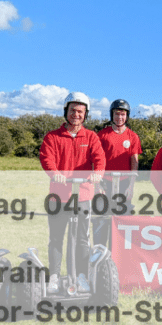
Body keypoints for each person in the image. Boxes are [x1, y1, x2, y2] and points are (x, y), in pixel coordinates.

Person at [40, 92, 105, 288]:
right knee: (57, 238)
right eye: (72, 111)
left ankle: (81, 276)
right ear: (66, 112)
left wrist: (98, 173)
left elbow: (99, 159)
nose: (76, 114)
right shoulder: (53, 136)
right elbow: (46, 158)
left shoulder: (91, 137)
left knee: (82, 239)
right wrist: (55, 173)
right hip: (59, 197)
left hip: (83, 195)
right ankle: (54, 277)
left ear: (85, 114)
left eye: (80, 111)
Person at [94, 99, 142, 246]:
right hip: (105, 183)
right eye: (116, 114)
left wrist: (131, 186)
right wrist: (97, 185)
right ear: (111, 115)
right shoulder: (102, 135)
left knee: (121, 220)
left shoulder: (132, 136)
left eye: (122, 114)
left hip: (124, 184)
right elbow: (95, 160)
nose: (119, 117)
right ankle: (99, 254)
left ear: (127, 116)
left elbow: (134, 161)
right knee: (102, 219)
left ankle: (118, 255)